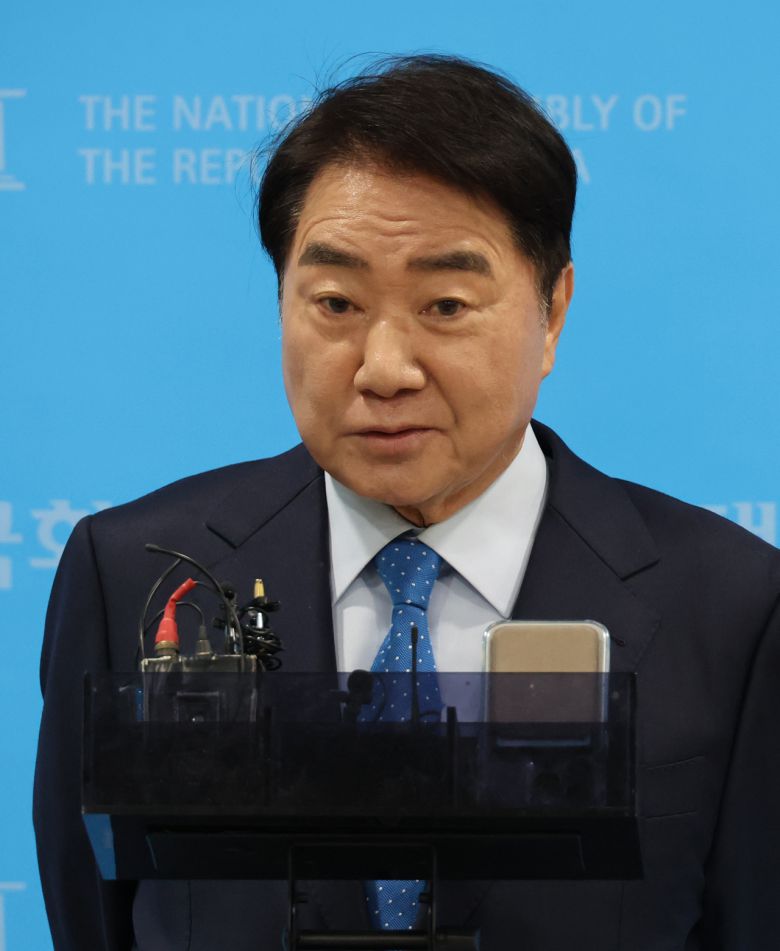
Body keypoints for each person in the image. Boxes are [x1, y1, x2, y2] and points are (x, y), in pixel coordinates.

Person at [34, 54, 780, 950]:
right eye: (336, 302)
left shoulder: (732, 608)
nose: (384, 368)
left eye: (446, 304)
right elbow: (90, 915)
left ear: (553, 311)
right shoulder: (132, 577)